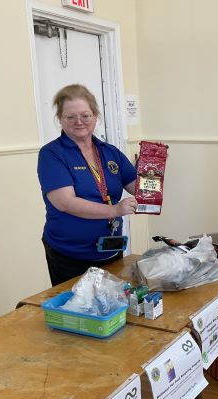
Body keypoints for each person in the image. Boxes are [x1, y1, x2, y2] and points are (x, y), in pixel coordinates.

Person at [37, 84, 138, 286]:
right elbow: (65, 202)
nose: (79, 122)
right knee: (78, 306)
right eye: (70, 117)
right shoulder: (52, 154)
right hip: (70, 256)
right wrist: (114, 210)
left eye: (85, 115)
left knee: (113, 303)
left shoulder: (110, 152)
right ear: (60, 119)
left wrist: (153, 169)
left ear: (95, 116)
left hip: (111, 250)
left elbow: (138, 189)